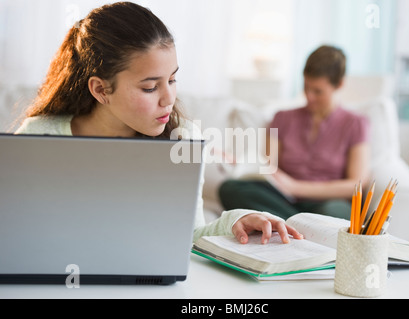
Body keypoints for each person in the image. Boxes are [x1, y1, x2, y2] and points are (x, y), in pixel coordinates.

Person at [14, 2, 302, 245]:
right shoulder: (39, 135)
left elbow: (190, 237)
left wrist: (235, 220)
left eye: (173, 79)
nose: (168, 98)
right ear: (101, 90)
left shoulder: (184, 138)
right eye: (150, 87)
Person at [219, 45, 371, 220]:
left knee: (334, 213)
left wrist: (295, 187)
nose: (309, 96)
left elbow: (356, 185)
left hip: (327, 201)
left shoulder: (355, 124)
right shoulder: (282, 118)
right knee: (230, 188)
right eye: (306, 87)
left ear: (340, 84)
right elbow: (269, 168)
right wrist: (241, 163)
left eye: (318, 91)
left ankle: (285, 223)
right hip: (284, 200)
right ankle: (301, 226)